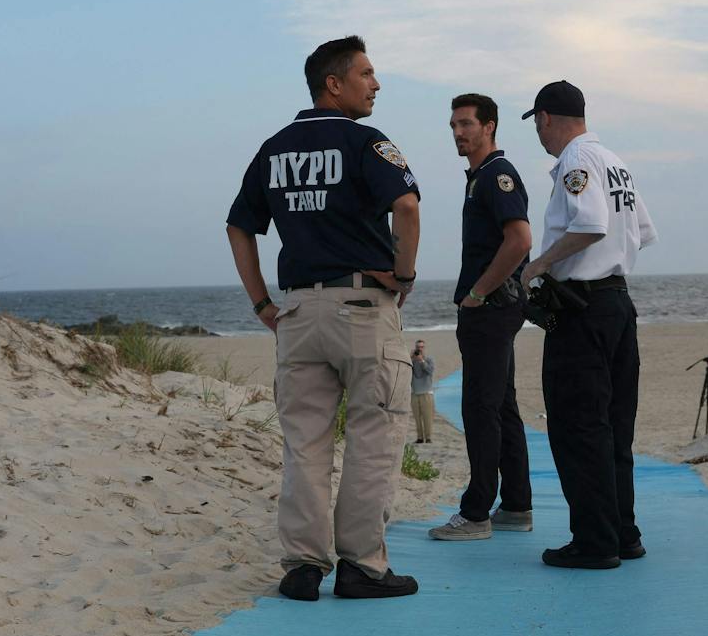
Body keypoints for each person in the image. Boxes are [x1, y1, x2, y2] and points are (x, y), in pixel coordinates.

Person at [225, 35, 422, 602]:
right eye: (367, 73)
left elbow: (240, 225)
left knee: (305, 442)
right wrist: (404, 276)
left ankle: (303, 566)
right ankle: (361, 565)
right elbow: (406, 206)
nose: (376, 83)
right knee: (374, 434)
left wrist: (262, 302)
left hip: (298, 311)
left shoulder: (275, 148)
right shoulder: (366, 142)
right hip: (361, 307)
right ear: (333, 84)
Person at [519, 81, 658, 570]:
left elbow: (589, 223)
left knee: (579, 426)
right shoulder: (615, 161)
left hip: (584, 310)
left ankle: (595, 541)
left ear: (546, 118)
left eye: (537, 122)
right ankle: (624, 532)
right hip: (618, 303)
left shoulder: (575, 162)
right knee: (616, 427)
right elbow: (642, 232)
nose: (538, 132)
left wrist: (540, 266)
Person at [429, 93, 534, 541]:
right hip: (493, 309)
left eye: (466, 124)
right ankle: (516, 504)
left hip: (490, 310)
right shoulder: (480, 178)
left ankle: (476, 514)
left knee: (480, 408)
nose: (458, 132)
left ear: (489, 126)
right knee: (502, 405)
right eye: (453, 125)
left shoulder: (497, 175)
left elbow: (521, 240)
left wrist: (477, 293)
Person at [410, 339, 436, 443]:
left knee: (427, 417)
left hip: (426, 393)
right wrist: (410, 359)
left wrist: (422, 361)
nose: (419, 349)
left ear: (424, 348)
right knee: (417, 418)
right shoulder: (412, 361)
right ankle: (420, 438)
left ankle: (428, 437)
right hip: (415, 393)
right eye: (418, 347)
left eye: (421, 347)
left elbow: (430, 371)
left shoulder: (429, 359)